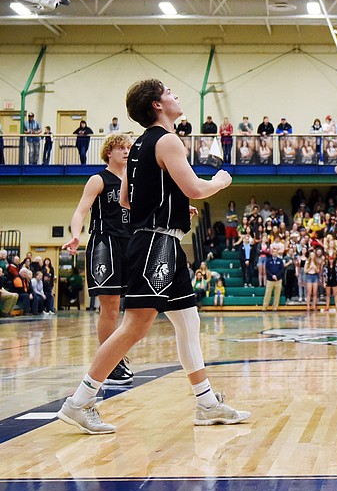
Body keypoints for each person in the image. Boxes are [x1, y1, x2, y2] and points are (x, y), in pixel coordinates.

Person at [58, 79, 249, 435]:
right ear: (157, 105)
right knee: (135, 325)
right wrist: (221, 181)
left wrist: (174, 208)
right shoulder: (167, 140)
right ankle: (79, 401)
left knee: (187, 323)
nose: (176, 96)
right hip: (156, 246)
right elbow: (196, 187)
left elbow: (130, 201)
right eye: (170, 93)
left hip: (160, 241)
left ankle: (206, 404)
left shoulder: (139, 147)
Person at [65, 132, 136, 387]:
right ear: (109, 152)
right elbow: (80, 211)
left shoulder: (134, 180)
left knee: (135, 307)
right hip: (104, 243)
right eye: (121, 148)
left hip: (131, 242)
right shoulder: (98, 179)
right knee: (110, 306)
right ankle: (110, 363)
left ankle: (116, 354)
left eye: (129, 147)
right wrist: (75, 236)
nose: (126, 151)